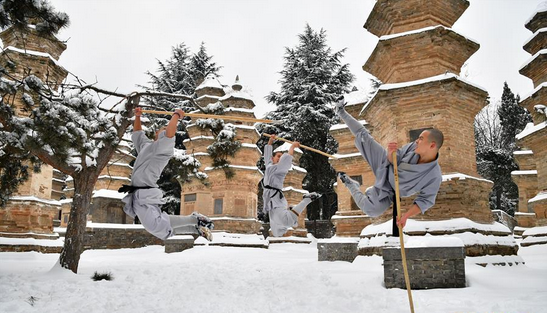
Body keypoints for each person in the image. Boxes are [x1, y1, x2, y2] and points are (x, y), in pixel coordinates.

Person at [334, 97, 443, 228]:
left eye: (421, 139)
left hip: (390, 191)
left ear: (432, 146)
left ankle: (352, 185)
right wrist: (391, 155)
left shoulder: (434, 176)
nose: (417, 141)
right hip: (386, 165)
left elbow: (425, 200)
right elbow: (395, 157)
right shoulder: (412, 147)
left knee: (372, 210)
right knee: (364, 136)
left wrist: (405, 217)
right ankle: (340, 111)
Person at [120, 97, 214, 241]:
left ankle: (194, 222)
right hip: (143, 194)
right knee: (157, 223)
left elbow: (170, 134)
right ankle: (194, 225)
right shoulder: (147, 146)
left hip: (144, 193)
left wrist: (176, 116)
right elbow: (137, 133)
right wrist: (138, 116)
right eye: (162, 129)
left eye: (165, 129)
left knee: (154, 225)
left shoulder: (163, 150)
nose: (163, 130)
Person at [263, 135, 322, 237]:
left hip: (274, 198)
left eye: (281, 157)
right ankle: (306, 201)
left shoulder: (279, 169)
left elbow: (286, 161)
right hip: (273, 199)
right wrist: (270, 141)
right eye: (278, 156)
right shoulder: (269, 165)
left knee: (277, 230)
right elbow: (267, 157)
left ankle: (291, 213)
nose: (280, 158)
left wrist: (292, 147)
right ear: (273, 158)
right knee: (285, 222)